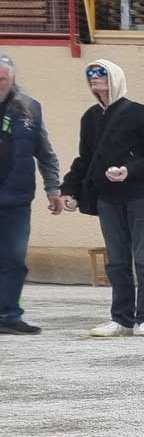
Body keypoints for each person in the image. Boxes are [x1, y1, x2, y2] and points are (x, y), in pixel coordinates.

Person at [59, 59, 144, 338]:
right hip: (108, 198)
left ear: (115, 78)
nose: (95, 78)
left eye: (101, 73)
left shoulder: (141, 113)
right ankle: (120, 318)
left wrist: (128, 170)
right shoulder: (90, 117)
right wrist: (69, 190)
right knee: (117, 261)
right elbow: (86, 159)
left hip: (142, 196)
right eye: (91, 74)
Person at [0, 56, 64, 335]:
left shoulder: (29, 110)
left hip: (16, 201)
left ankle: (9, 315)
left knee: (14, 259)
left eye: (2, 79)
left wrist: (53, 189)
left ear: (12, 80)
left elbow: (46, 154)